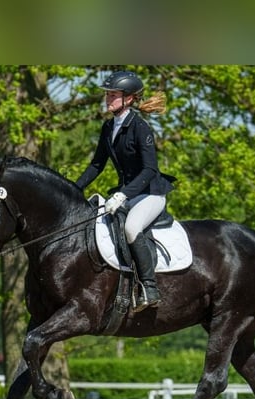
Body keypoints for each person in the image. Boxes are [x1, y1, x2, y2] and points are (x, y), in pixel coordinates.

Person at [75, 70, 175, 309]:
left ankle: (150, 289)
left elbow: (150, 170)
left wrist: (122, 194)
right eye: (107, 95)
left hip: (150, 194)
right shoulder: (108, 128)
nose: (108, 99)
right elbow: (96, 165)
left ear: (129, 99)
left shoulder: (141, 128)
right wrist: (72, 189)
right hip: (129, 194)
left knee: (131, 229)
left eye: (113, 95)